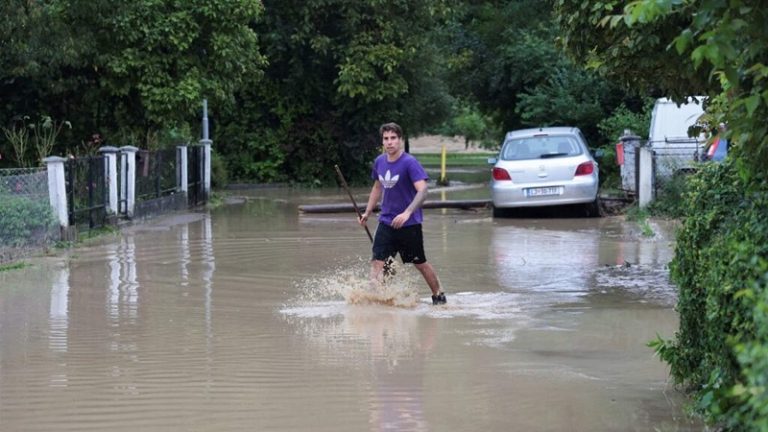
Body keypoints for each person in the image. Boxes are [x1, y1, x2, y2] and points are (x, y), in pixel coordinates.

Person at [359, 122, 446, 305]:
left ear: (400, 140)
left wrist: (407, 213)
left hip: (409, 224)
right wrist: (367, 212)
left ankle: (438, 295)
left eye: (393, 138)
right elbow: (377, 187)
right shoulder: (379, 162)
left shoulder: (409, 163)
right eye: (386, 139)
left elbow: (423, 191)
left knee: (419, 263)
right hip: (386, 222)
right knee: (377, 262)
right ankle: (377, 302)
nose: (389, 142)